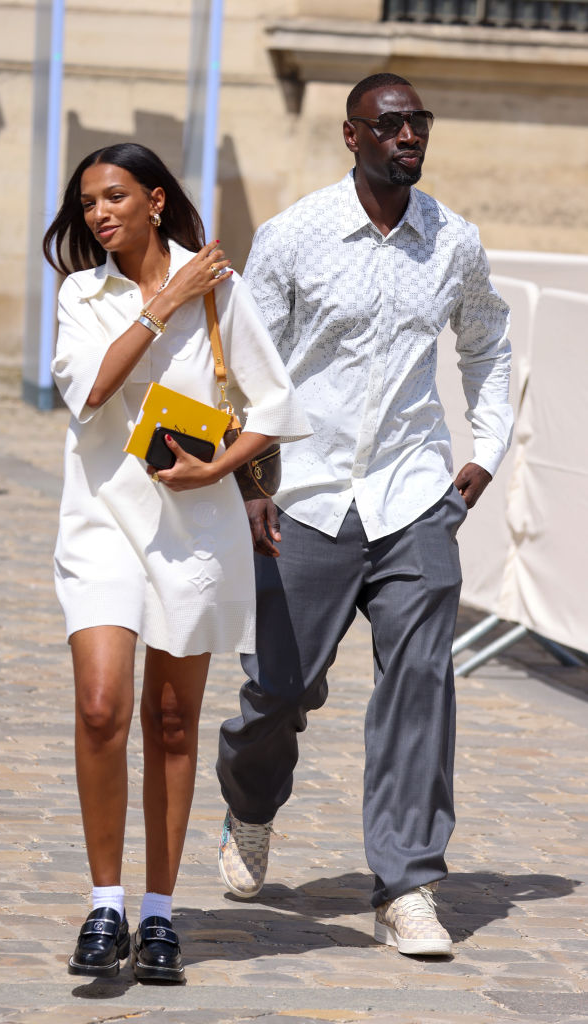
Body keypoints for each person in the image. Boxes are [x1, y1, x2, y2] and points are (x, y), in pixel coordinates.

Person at [216, 73, 513, 957]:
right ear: (352, 136)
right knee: (279, 689)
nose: (408, 137)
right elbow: (244, 370)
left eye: (418, 123)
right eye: (389, 125)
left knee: (420, 685)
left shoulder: (452, 242)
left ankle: (408, 882)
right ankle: (249, 805)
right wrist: (253, 484)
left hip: (414, 493)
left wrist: (483, 450)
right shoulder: (294, 236)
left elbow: (487, 346)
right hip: (304, 495)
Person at [42, 142, 310, 984]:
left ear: (155, 199)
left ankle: (158, 915)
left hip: (194, 526)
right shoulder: (82, 293)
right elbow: (90, 390)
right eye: (88, 203)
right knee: (99, 708)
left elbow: (275, 408)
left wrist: (219, 470)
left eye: (114, 197)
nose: (99, 214)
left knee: (169, 721)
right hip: (99, 520)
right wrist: (164, 303)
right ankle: (104, 903)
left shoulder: (221, 286)